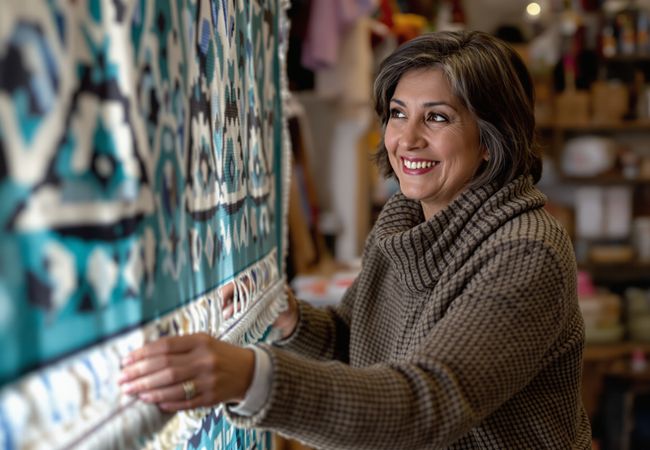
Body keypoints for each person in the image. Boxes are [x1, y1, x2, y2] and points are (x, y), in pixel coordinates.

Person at [119, 30, 592, 449]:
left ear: (490, 138)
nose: (406, 139)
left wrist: (250, 378)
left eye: (437, 118)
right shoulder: (402, 225)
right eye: (398, 114)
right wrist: (290, 319)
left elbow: (427, 407)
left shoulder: (525, 250)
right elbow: (360, 343)